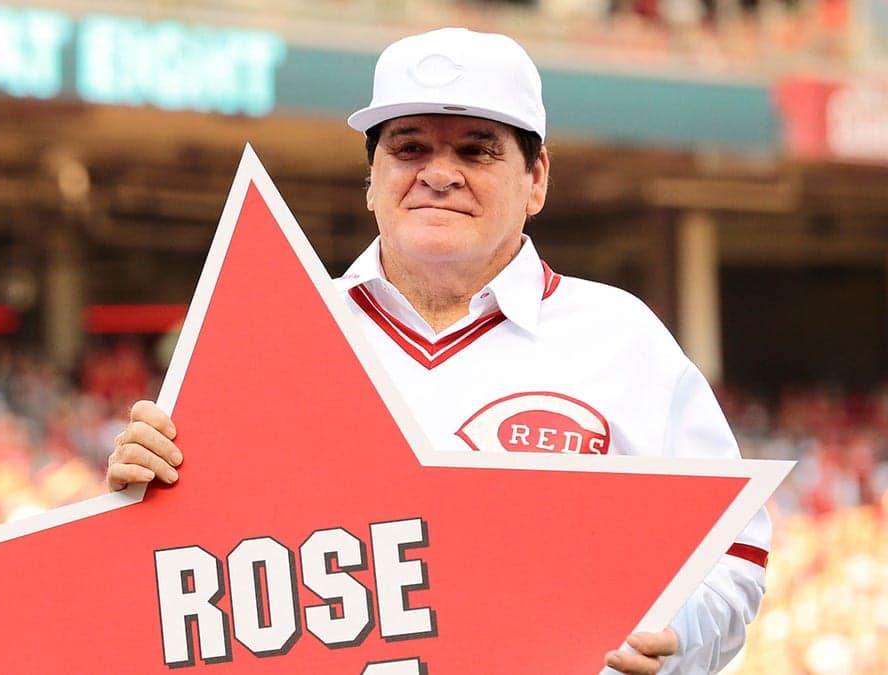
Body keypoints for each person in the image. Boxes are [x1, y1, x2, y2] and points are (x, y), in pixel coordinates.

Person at [107, 28, 771, 675]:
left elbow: (732, 550)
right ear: (372, 178)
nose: (439, 174)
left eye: (477, 151)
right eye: (409, 148)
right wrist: (143, 509)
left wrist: (674, 635)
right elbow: (195, 583)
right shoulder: (269, 341)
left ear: (536, 179)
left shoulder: (621, 336)